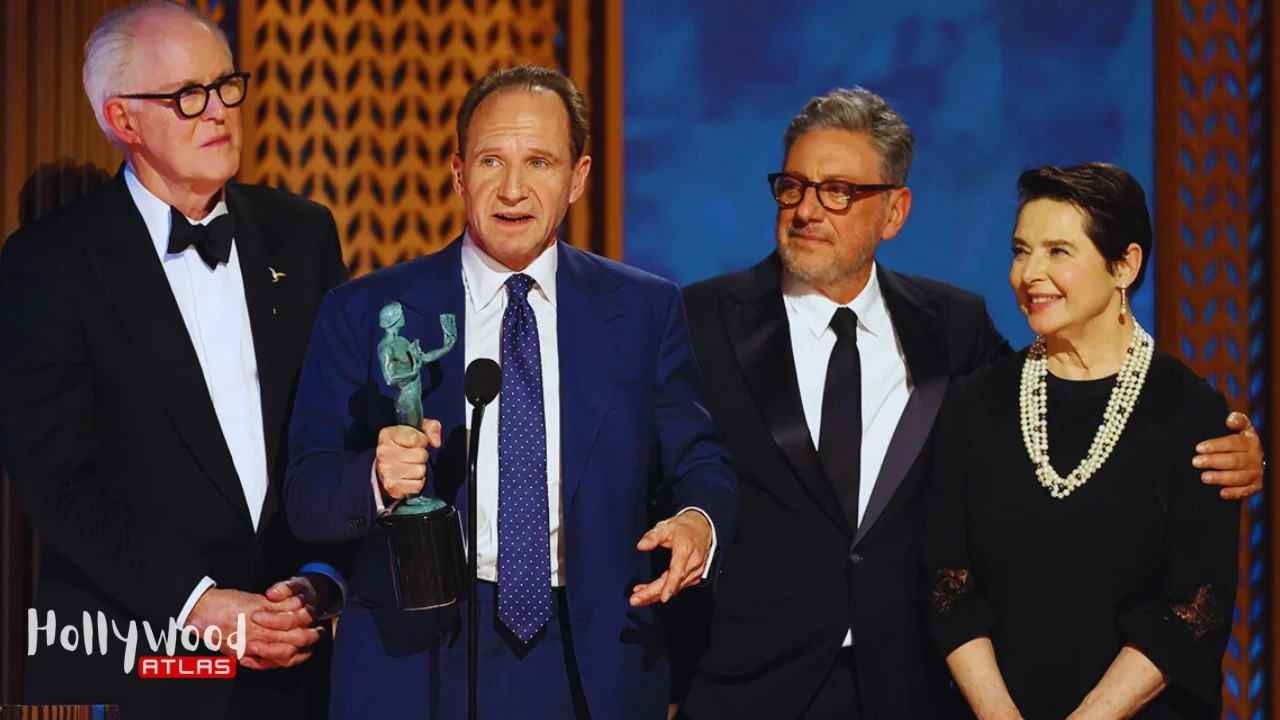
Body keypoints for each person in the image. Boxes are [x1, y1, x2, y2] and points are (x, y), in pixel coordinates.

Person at [672, 88, 1264, 720]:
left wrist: (1244, 451)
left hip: (905, 689)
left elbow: (1068, 397)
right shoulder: (700, 320)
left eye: (838, 191)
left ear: (895, 211)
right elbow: (660, 473)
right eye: (793, 187)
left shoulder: (952, 327)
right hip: (746, 687)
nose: (808, 209)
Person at [283, 64, 738, 720]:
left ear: (578, 177)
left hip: (591, 658)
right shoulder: (366, 312)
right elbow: (305, 493)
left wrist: (698, 521)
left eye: (540, 162)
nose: (513, 190)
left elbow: (702, 462)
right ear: (458, 173)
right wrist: (375, 479)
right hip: (413, 659)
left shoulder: (645, 310)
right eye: (491, 160)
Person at [0, 2, 349, 718]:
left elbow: (338, 430)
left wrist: (321, 580)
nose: (218, 111)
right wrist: (202, 605)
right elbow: (57, 484)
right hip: (149, 655)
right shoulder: (51, 263)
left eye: (225, 86)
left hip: (300, 651)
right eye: (188, 95)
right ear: (123, 120)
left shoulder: (304, 232)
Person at [923, 163, 1239, 719]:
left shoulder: (1192, 413)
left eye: (1058, 252)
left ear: (1125, 265)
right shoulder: (975, 403)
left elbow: (1194, 608)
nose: (1030, 273)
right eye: (1021, 251)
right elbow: (947, 584)